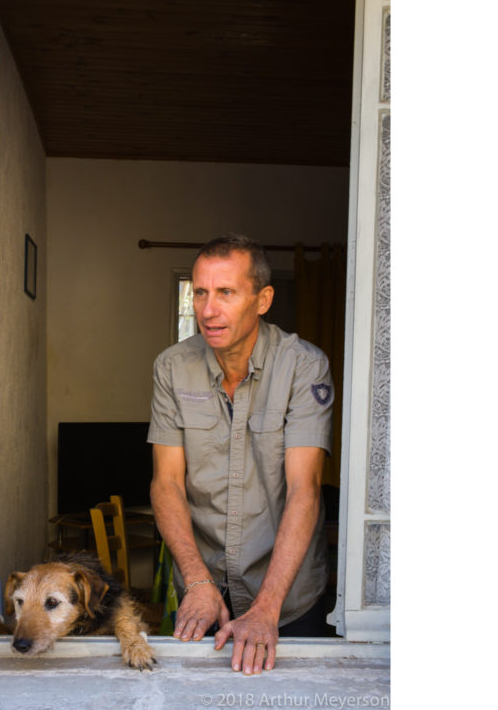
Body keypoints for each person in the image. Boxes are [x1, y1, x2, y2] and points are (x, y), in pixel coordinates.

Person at [148, 234, 334, 675]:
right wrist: (196, 581)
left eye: (226, 293)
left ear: (262, 299)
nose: (208, 310)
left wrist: (267, 608)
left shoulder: (304, 365)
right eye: (201, 292)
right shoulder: (172, 367)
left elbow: (303, 491)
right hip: (203, 593)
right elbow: (167, 483)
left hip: (287, 602)